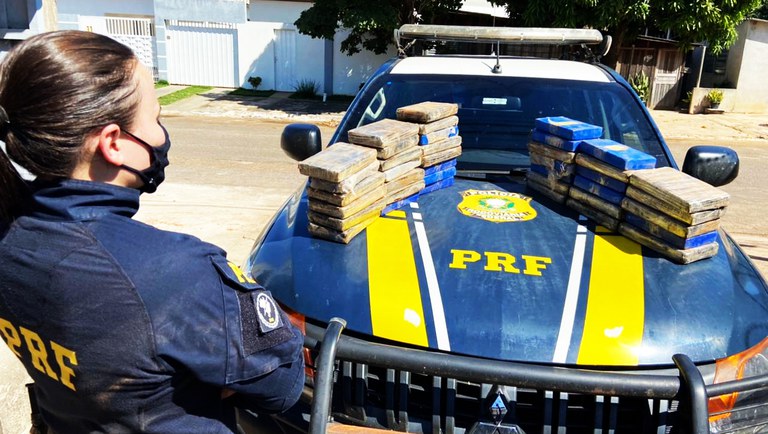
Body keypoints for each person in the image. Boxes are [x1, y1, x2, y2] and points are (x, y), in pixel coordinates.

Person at [0, 31, 304, 432]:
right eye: (156, 118)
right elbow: (280, 385)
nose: (160, 135)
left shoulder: (10, 236)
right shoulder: (175, 272)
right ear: (113, 143)